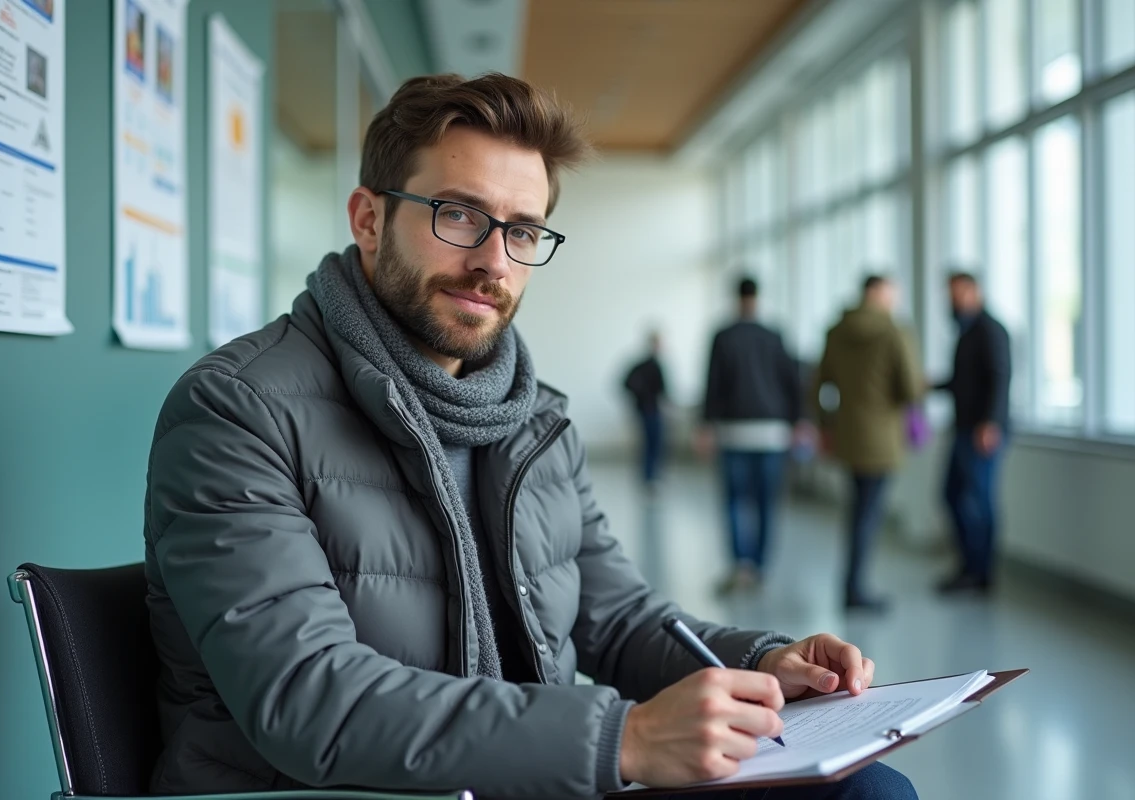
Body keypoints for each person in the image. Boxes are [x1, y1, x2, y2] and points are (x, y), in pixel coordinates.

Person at [143, 73, 916, 800]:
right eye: (458, 215)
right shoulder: (238, 409)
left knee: (865, 787)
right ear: (369, 219)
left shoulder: (531, 418)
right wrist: (621, 738)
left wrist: (761, 663)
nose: (492, 263)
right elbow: (311, 698)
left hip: (526, 775)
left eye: (522, 231)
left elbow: (618, 622)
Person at [812, 276, 923, 612]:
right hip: (882, 439)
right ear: (878, 294)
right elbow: (911, 388)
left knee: (857, 510)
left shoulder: (836, 331)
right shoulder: (893, 331)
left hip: (848, 436)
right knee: (869, 513)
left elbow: (817, 384)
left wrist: (827, 424)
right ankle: (856, 588)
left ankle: (851, 584)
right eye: (892, 293)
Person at [700, 277, 803, 593]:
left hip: (734, 432)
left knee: (734, 500)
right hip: (772, 433)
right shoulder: (775, 336)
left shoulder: (723, 336)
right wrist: (800, 421)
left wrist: (706, 424)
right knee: (766, 503)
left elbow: (713, 384)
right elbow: (793, 381)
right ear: (758, 297)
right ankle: (759, 567)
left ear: (736, 297)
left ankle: (741, 564)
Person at [932, 272, 1011, 594]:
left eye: (957, 293)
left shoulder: (991, 330)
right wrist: (931, 385)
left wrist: (990, 423)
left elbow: (1000, 377)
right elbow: (962, 381)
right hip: (964, 428)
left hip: (982, 431)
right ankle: (968, 566)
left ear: (974, 291)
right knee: (951, 496)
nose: (952, 301)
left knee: (980, 501)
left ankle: (982, 574)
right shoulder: (966, 332)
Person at [623, 330, 669, 488]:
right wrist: (644, 398)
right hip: (648, 411)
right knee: (650, 445)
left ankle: (653, 476)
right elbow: (627, 384)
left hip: (655, 410)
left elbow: (663, 391)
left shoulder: (656, 364)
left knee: (656, 445)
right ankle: (649, 477)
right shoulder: (644, 365)